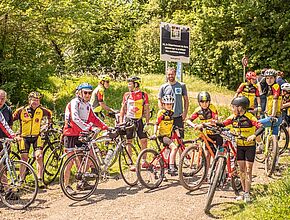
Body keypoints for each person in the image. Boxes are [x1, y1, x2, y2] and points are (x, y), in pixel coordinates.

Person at [215, 96, 264, 203]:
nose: (232, 109)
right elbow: (223, 124)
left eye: (233, 107)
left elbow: (261, 127)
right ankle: (244, 192)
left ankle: (247, 193)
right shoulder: (233, 117)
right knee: (241, 170)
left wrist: (254, 136)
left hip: (250, 146)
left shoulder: (250, 117)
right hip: (239, 146)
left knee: (248, 170)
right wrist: (214, 122)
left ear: (240, 108)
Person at [63, 83, 108, 194]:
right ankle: (66, 185)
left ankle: (81, 182)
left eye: (89, 93)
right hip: (70, 134)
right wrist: (88, 128)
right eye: (85, 93)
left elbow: (94, 117)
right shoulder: (75, 102)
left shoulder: (87, 105)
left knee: (85, 160)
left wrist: (106, 127)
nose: (88, 95)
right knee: (70, 161)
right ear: (79, 93)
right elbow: (75, 118)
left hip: (81, 134)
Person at [13, 91, 52, 189]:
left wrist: (47, 126)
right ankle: (21, 180)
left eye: (37, 100)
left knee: (39, 156)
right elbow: (10, 120)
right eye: (33, 100)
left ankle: (39, 179)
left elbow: (50, 116)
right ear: (29, 100)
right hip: (24, 137)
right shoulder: (21, 110)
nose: (35, 102)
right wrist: (14, 134)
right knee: (24, 158)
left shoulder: (42, 110)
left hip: (36, 137)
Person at [188, 91, 222, 177]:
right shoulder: (198, 110)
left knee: (219, 155)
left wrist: (202, 125)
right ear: (199, 102)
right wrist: (193, 125)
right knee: (207, 155)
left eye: (206, 101)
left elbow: (215, 121)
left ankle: (222, 173)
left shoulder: (212, 108)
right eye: (202, 102)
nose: (204, 104)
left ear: (209, 101)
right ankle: (206, 175)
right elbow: (188, 120)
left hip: (217, 134)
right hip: (208, 136)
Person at [119, 76, 150, 167]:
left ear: (136, 84)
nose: (128, 85)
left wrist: (147, 122)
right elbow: (123, 109)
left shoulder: (144, 95)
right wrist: (121, 121)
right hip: (129, 120)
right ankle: (130, 161)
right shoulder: (126, 95)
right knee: (129, 141)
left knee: (144, 140)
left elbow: (147, 109)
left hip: (139, 120)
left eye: (130, 84)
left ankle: (143, 160)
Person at [256, 69, 282, 168]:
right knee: (274, 138)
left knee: (254, 125)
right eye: (267, 78)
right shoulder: (270, 88)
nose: (269, 80)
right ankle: (275, 162)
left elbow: (275, 101)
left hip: (273, 116)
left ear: (275, 78)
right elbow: (271, 101)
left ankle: (260, 145)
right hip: (276, 116)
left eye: (271, 78)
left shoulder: (275, 87)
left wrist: (272, 115)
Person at [158, 67, 189, 138]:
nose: (170, 76)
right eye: (168, 74)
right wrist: (162, 112)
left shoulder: (182, 85)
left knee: (180, 139)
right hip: (167, 117)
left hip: (178, 116)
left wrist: (185, 113)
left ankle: (181, 149)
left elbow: (186, 100)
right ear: (166, 75)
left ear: (175, 74)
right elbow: (159, 100)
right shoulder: (163, 87)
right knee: (168, 139)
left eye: (172, 74)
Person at [153, 95, 178, 176]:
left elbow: (172, 125)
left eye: (170, 104)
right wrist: (154, 133)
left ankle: (161, 169)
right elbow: (156, 124)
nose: (169, 106)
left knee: (166, 154)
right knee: (174, 148)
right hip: (162, 136)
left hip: (168, 135)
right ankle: (171, 168)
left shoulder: (172, 113)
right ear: (163, 105)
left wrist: (178, 133)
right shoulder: (161, 113)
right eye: (167, 104)